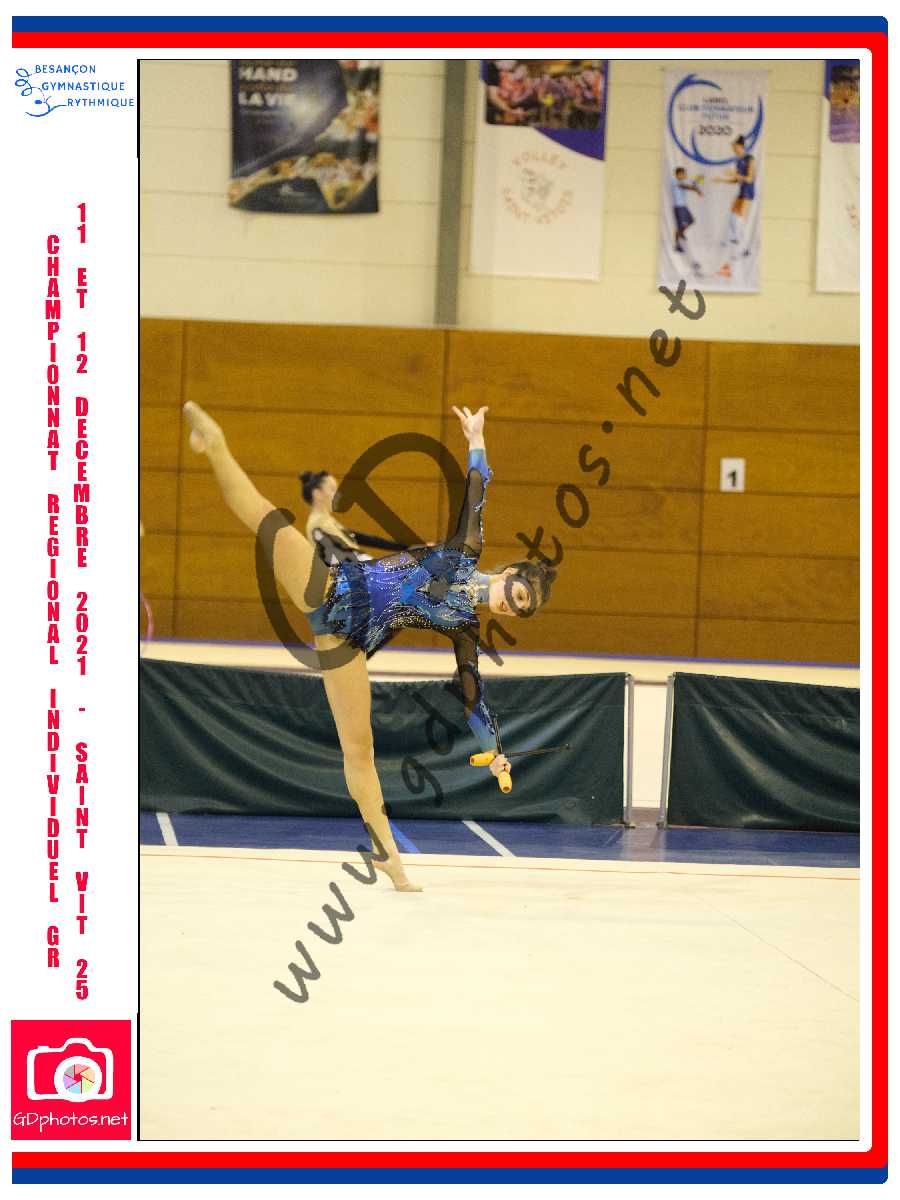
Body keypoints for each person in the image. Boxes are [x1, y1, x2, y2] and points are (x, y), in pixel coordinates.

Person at [182, 401, 556, 891]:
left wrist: (495, 750)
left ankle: (389, 858)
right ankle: (214, 444)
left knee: (360, 751)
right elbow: (477, 489)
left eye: (520, 610)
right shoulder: (465, 551)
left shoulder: (465, 626)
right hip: (329, 588)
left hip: (346, 645)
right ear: (510, 574)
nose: (511, 606)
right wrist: (476, 440)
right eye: (518, 594)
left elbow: (472, 695)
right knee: (268, 520)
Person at [299, 469, 408, 564]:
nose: (337, 494)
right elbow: (348, 555)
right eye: (332, 489)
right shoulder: (319, 524)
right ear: (317, 494)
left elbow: (362, 539)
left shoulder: (325, 521)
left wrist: (403, 547)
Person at [713, 135, 756, 275]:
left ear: (740, 146)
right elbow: (736, 180)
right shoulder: (738, 161)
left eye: (734, 147)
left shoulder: (750, 159)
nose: (733, 149)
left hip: (748, 191)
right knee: (732, 217)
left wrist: (734, 175)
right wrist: (722, 180)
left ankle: (743, 249)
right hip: (741, 190)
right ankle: (734, 242)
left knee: (739, 220)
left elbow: (749, 178)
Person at [670, 166, 703, 256]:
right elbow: (685, 187)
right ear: (677, 174)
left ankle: (681, 233)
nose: (684, 175)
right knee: (679, 226)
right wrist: (696, 189)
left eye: (684, 174)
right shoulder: (674, 181)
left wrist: (697, 181)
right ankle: (677, 245)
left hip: (684, 206)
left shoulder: (682, 182)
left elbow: (691, 185)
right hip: (678, 207)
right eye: (682, 174)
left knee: (691, 220)